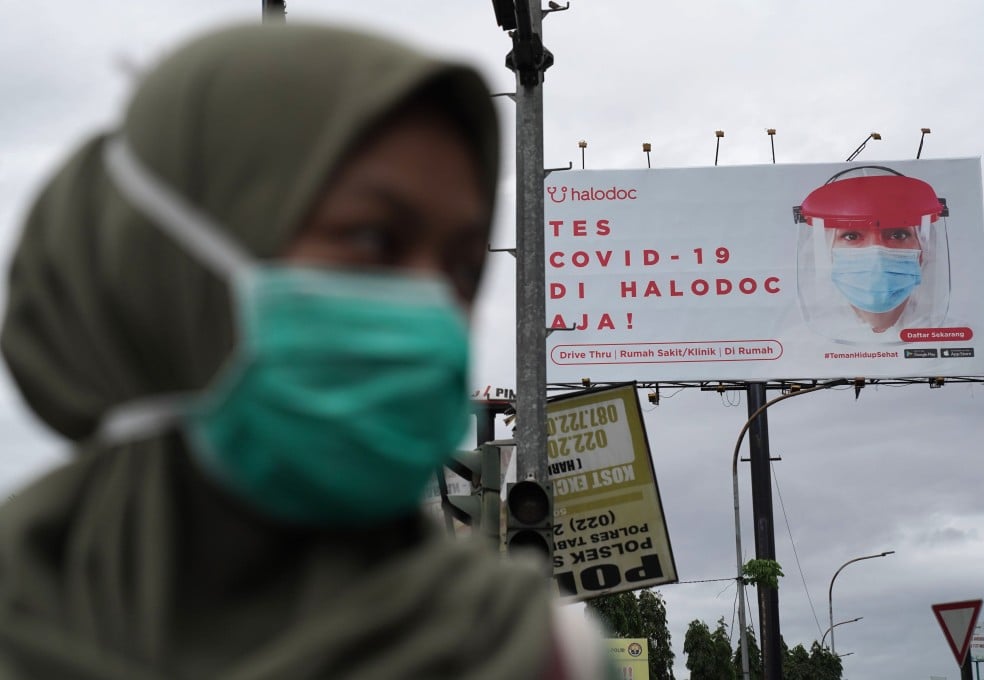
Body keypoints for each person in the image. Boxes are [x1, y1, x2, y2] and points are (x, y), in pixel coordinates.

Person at [0, 23, 610, 679]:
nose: (433, 309)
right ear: (164, 267)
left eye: (461, 269)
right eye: (374, 241)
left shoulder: (539, 655)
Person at [794, 165, 951, 341]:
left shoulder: (962, 342)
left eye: (898, 235)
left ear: (923, 250)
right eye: (852, 236)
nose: (877, 253)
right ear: (826, 252)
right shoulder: (798, 349)